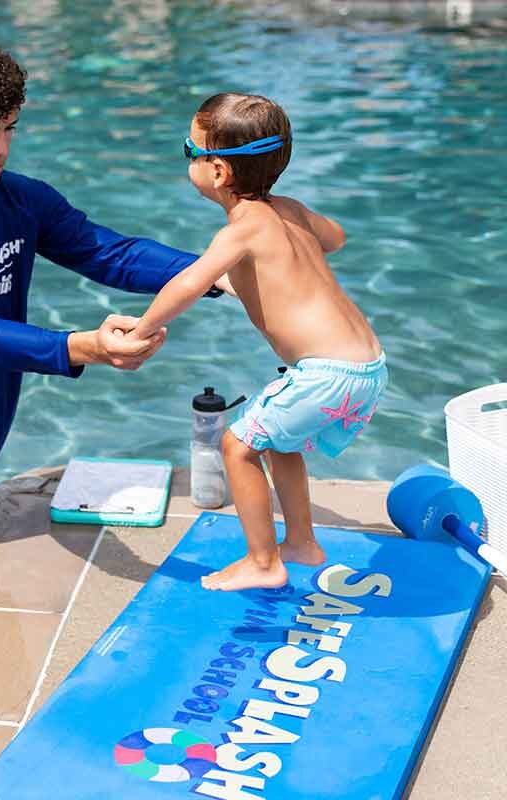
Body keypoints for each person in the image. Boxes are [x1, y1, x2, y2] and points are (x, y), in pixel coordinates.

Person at [0, 37, 231, 653]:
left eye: (9, 128)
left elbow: (107, 251)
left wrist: (221, 272)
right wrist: (84, 347)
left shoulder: (19, 199)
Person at [127, 92, 387, 592]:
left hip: (327, 375)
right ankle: (302, 543)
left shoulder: (242, 230)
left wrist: (143, 331)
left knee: (238, 445)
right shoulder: (288, 210)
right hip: (367, 365)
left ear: (218, 173)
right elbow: (336, 238)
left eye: (190, 150)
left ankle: (264, 561)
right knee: (278, 442)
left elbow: (185, 284)